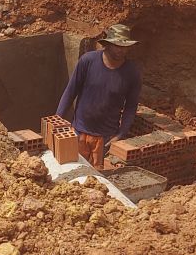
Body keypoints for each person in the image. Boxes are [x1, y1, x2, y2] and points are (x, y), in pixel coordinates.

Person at [55, 24, 142, 168]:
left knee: (98, 180)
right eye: (117, 45)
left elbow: (131, 107)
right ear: (107, 44)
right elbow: (71, 91)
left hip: (105, 137)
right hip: (79, 132)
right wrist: (57, 120)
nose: (121, 50)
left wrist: (120, 135)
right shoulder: (88, 61)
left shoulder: (132, 72)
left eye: (125, 46)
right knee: (73, 172)